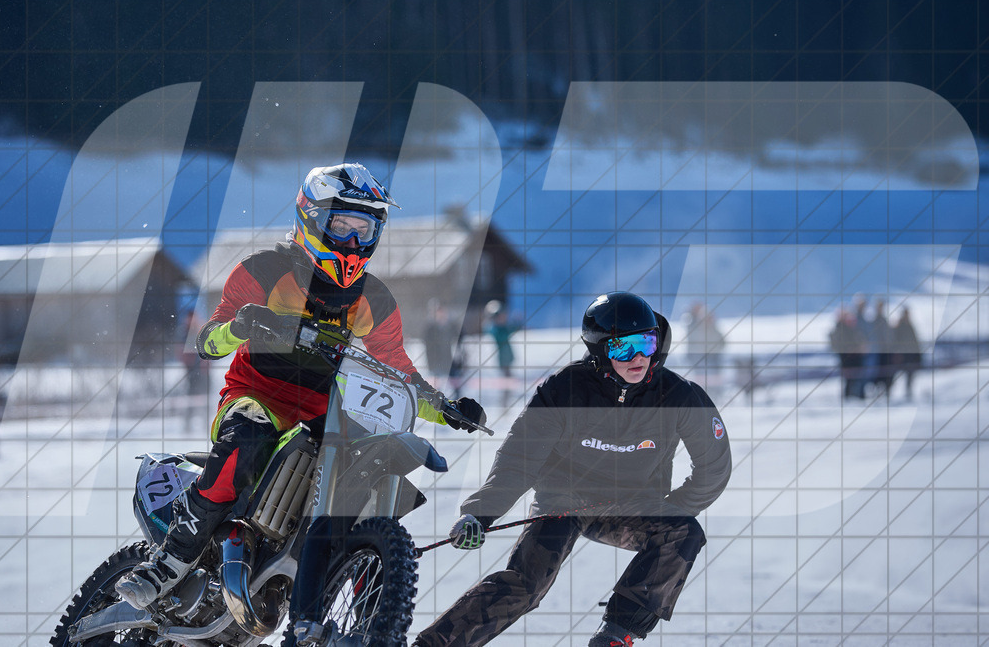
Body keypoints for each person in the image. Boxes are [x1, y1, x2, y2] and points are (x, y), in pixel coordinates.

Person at [115, 163, 486, 609]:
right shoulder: (263, 271)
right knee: (247, 437)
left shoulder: (375, 298)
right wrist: (243, 323)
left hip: (326, 414)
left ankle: (368, 604)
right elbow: (207, 342)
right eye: (341, 225)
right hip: (255, 397)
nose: (351, 241)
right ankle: (170, 560)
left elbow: (398, 370)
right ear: (311, 217)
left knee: (364, 469)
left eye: (362, 229)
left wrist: (446, 408)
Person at [413, 292, 732, 647]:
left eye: (646, 342)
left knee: (683, 533)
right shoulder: (564, 390)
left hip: (629, 505)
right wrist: (478, 513)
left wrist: (671, 508)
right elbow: (519, 460)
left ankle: (616, 634)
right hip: (562, 501)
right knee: (527, 585)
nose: (639, 357)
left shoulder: (679, 396)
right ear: (599, 350)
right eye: (623, 348)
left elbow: (713, 469)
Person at [892, 306, 922, 401]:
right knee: (893, 373)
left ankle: (908, 391)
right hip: (902, 355)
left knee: (910, 374)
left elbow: (915, 340)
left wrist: (918, 353)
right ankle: (889, 392)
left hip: (911, 354)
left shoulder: (910, 325)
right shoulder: (899, 326)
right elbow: (895, 340)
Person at [485, 300, 519, 378]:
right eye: (500, 316)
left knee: (508, 373)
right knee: (505, 374)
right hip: (503, 357)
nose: (503, 318)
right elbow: (502, 334)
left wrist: (517, 322)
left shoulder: (503, 328)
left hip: (508, 355)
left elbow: (513, 328)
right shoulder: (495, 329)